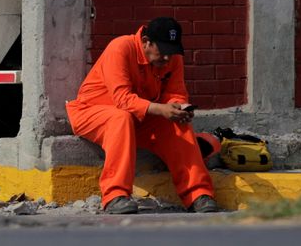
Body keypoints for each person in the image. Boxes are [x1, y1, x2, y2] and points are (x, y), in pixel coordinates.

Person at [66, 16, 219, 214]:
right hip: (90, 113)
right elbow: (122, 99)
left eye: (171, 53)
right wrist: (161, 109)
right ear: (146, 42)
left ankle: (198, 195)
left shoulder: (172, 58)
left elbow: (176, 93)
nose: (167, 59)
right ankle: (115, 196)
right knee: (120, 117)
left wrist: (177, 108)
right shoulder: (120, 48)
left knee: (178, 124)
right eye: (162, 52)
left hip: (138, 118)